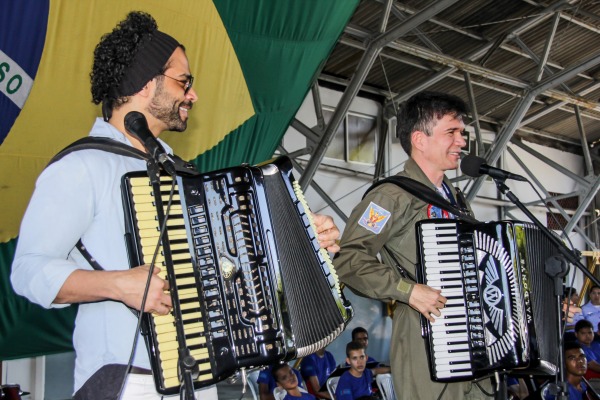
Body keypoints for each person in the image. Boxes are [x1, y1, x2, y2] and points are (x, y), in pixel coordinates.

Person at [10, 11, 341, 400]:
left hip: (200, 380)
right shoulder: (82, 166)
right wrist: (118, 284)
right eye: (184, 81)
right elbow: (28, 270)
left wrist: (302, 240)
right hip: (126, 379)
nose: (193, 95)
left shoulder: (182, 174)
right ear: (147, 85)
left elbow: (233, 266)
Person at [335, 91, 492, 399]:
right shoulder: (390, 197)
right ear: (420, 139)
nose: (462, 141)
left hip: (472, 339)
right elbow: (348, 259)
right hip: (424, 335)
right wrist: (408, 290)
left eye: (462, 133)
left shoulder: (456, 200)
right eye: (452, 132)